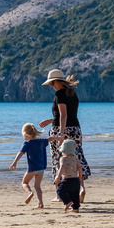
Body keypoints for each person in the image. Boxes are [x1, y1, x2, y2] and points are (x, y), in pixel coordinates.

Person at [39, 69, 90, 203]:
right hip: (75, 129)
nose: (51, 86)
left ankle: (59, 195)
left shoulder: (60, 94)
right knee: (76, 159)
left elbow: (63, 115)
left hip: (62, 130)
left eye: (51, 83)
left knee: (58, 161)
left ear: (57, 82)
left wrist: (60, 134)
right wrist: (50, 120)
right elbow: (69, 114)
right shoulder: (72, 93)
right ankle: (80, 189)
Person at [9, 123, 62, 209]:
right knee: (37, 186)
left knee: (24, 182)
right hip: (41, 168)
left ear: (26, 134)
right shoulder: (41, 141)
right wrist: (58, 138)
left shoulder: (27, 144)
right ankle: (40, 203)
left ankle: (29, 193)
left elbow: (20, 153)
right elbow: (50, 138)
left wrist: (15, 162)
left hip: (33, 168)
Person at [55, 139, 83, 212]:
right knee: (75, 194)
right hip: (75, 179)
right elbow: (80, 168)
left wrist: (58, 177)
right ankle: (76, 208)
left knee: (60, 191)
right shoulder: (75, 158)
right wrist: (79, 178)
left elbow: (62, 167)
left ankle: (67, 202)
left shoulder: (63, 159)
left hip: (67, 179)